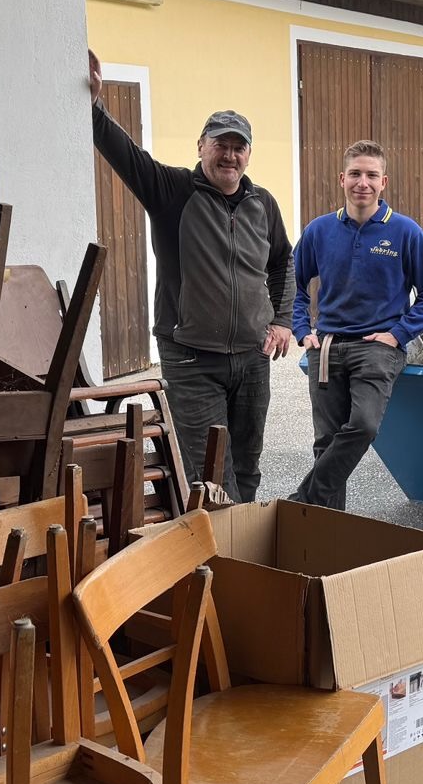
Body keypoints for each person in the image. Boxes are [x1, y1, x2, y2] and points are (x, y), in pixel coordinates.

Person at [87, 52, 293, 502]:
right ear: (201, 146)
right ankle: (219, 557)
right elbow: (128, 156)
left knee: (248, 465)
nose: (230, 155)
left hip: (253, 357)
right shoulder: (172, 191)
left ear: (249, 154)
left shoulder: (264, 204)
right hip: (191, 359)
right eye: (221, 144)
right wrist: (94, 105)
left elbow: (282, 262)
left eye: (239, 147)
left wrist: (282, 320)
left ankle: (243, 546)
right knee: (210, 473)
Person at [289, 141, 423, 509]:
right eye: (355, 174)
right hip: (326, 348)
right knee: (326, 443)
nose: (363, 182)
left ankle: (303, 500)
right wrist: (301, 330)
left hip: (378, 347)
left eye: (371, 175)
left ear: (384, 181)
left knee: (364, 426)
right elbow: (288, 286)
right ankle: (326, 532)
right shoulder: (319, 231)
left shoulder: (405, 232)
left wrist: (397, 334)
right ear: (342, 179)